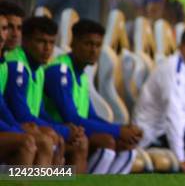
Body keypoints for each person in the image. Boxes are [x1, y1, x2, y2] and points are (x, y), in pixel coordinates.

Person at [43, 19, 142, 174]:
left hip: (77, 132)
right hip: (60, 131)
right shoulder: (59, 71)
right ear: (73, 42)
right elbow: (72, 118)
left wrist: (122, 129)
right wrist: (117, 131)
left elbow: (91, 116)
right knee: (107, 142)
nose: (93, 50)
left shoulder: (81, 75)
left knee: (127, 147)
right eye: (88, 44)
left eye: (98, 45)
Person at [3, 17, 89, 172]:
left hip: (17, 126)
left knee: (76, 142)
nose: (47, 48)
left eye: (51, 43)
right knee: (43, 141)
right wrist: (61, 130)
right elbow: (21, 115)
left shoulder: (39, 69)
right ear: (26, 40)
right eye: (41, 41)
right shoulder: (16, 66)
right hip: (12, 127)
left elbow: (40, 112)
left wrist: (62, 128)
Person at [133, 26, 185, 173]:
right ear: (181, 47)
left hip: (173, 133)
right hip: (154, 135)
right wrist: (181, 157)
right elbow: (172, 117)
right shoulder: (171, 69)